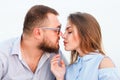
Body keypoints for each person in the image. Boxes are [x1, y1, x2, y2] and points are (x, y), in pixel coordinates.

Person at [51, 12, 120, 80]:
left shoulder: (103, 63)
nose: (63, 36)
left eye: (70, 32)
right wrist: (60, 77)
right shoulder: (68, 70)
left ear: (85, 34)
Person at [0, 5, 61, 80]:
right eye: (56, 30)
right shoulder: (3, 54)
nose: (61, 34)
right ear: (38, 33)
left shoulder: (56, 55)